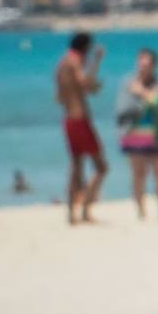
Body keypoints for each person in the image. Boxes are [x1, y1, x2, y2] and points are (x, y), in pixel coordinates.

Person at [54, 32, 108, 225]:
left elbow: (60, 96)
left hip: (68, 118)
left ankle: (71, 213)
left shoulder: (61, 64)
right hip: (80, 119)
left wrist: (87, 88)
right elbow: (84, 82)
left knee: (76, 166)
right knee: (101, 167)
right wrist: (96, 62)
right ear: (85, 47)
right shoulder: (75, 61)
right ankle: (85, 208)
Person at [116, 47, 158, 221]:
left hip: (156, 134)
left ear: (153, 66)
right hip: (134, 134)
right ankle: (140, 210)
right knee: (137, 174)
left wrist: (141, 92)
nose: (142, 68)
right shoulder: (128, 82)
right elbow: (122, 109)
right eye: (140, 64)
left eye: (146, 65)